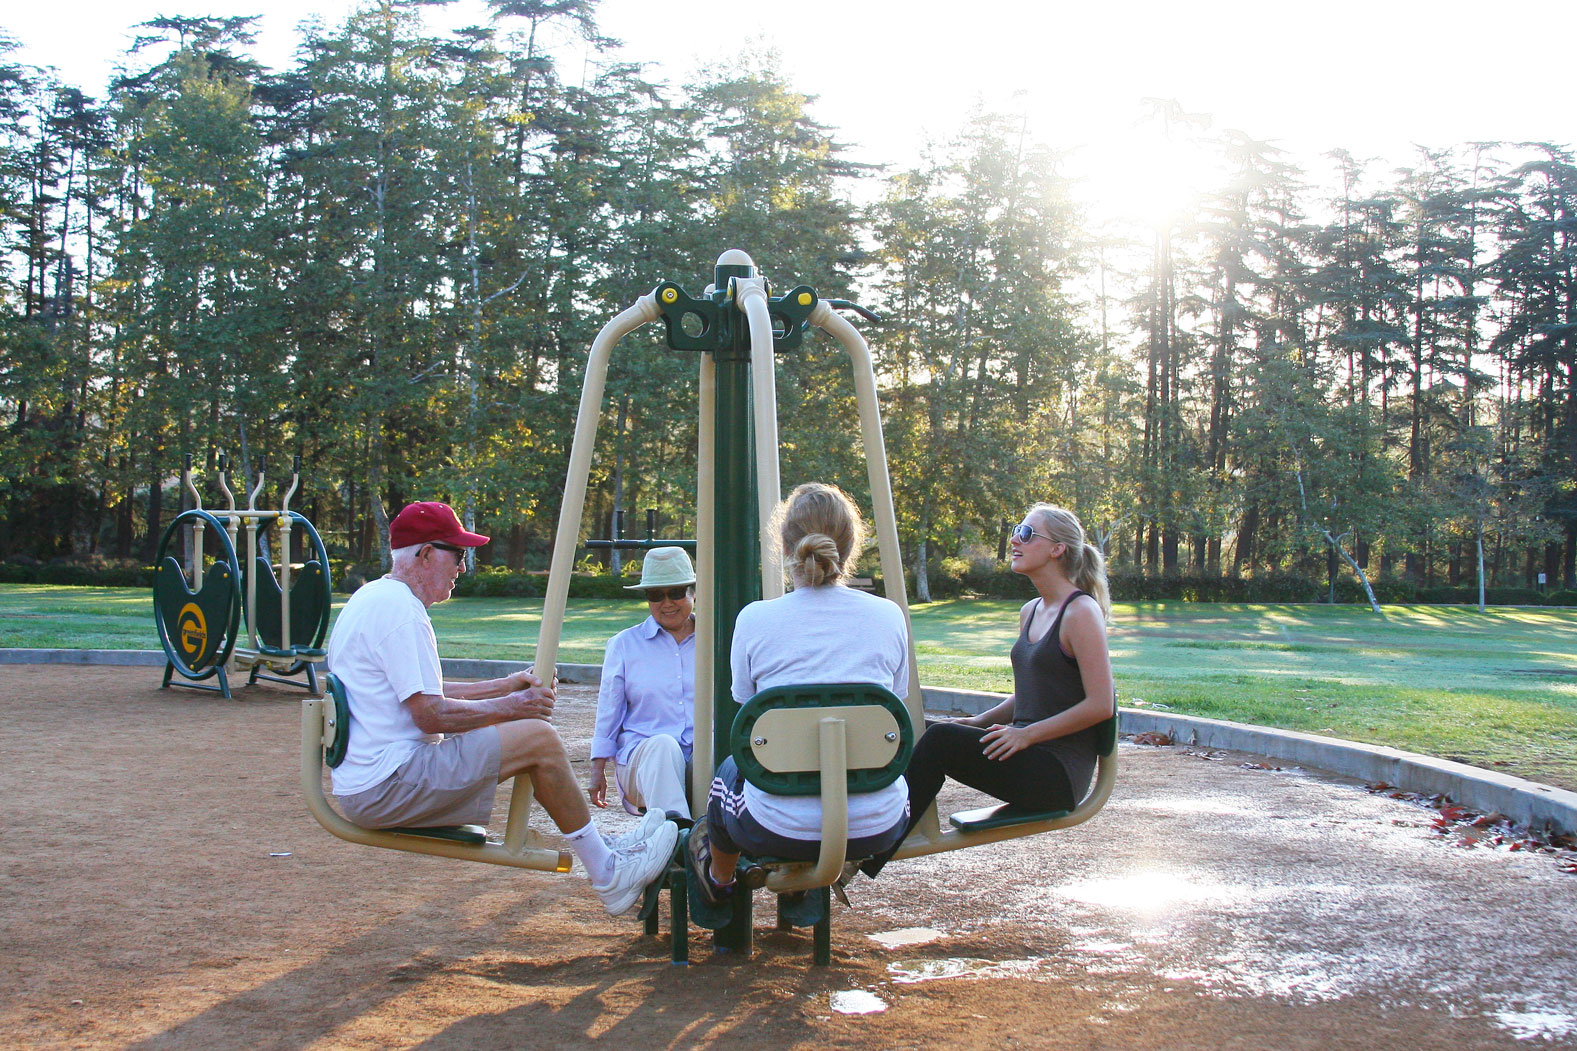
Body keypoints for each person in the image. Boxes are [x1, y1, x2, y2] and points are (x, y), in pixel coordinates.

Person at [326, 500, 677, 916]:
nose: (462, 566)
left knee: (530, 736)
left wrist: (505, 685)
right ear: (424, 555)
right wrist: (514, 706)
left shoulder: (375, 598)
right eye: (457, 555)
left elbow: (421, 690)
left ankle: (603, 854)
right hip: (389, 784)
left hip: (374, 780)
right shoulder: (402, 612)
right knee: (538, 737)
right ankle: (607, 872)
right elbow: (430, 714)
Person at [860, 502, 1115, 879]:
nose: (1015, 538)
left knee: (942, 742)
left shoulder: (1080, 613)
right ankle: (848, 829)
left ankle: (866, 854)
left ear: (1057, 549)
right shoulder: (1031, 610)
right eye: (1016, 529)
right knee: (915, 729)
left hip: (1056, 773)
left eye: (1027, 533)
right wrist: (978, 721)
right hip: (1027, 751)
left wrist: (1027, 735)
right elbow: (1034, 693)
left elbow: (1100, 705)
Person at [687, 483, 910, 904]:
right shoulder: (888, 615)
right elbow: (891, 704)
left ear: (785, 545)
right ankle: (818, 873)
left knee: (730, 774)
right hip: (877, 822)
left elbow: (746, 702)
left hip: (777, 823)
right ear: (850, 545)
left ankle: (720, 880)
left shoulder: (756, 618)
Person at [589, 546, 696, 826]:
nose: (667, 603)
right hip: (642, 759)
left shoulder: (717, 641)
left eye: (675, 593)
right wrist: (597, 768)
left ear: (693, 592)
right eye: (655, 595)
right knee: (663, 746)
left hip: (702, 758)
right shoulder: (624, 645)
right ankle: (678, 840)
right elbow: (609, 709)